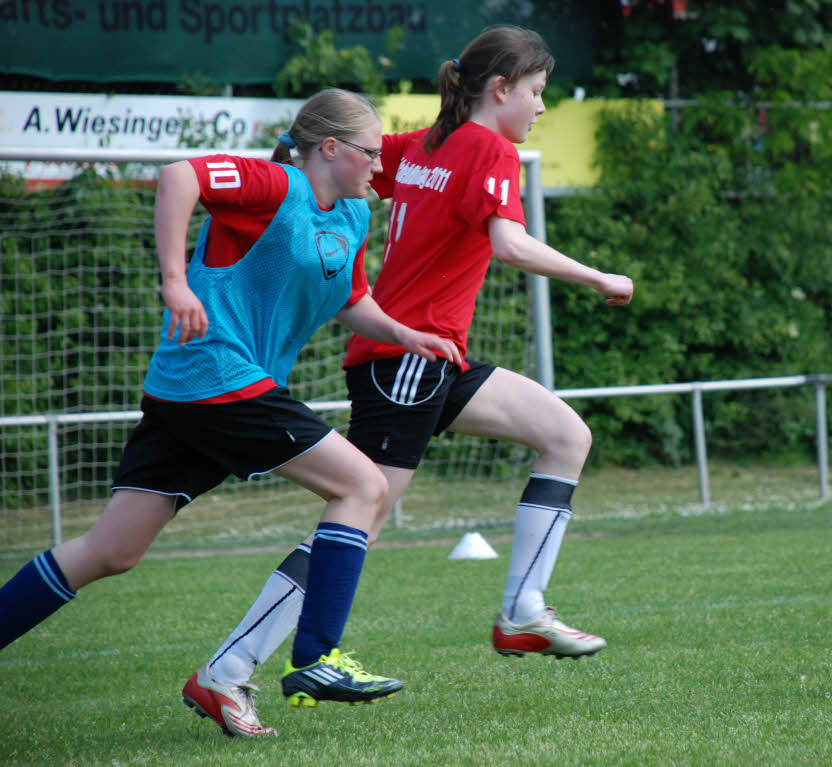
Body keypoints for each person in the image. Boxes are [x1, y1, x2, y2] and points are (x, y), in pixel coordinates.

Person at [183, 25, 635, 737]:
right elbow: (509, 243)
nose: (542, 109)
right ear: (501, 90)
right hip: (406, 360)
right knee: (357, 514)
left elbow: (311, 171)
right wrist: (599, 275)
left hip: (434, 358)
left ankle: (523, 611)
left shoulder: (422, 145)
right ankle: (228, 669)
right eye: (539, 93)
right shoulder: (488, 147)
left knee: (564, 434)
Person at [0, 87, 462, 736]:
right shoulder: (273, 183)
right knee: (363, 484)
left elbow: (351, 300)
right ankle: (318, 656)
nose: (377, 166)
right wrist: (173, 279)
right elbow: (178, 176)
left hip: (203, 391)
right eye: (367, 152)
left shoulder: (352, 216)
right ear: (329, 149)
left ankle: (224, 680)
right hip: (216, 375)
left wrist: (407, 334)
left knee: (111, 550)